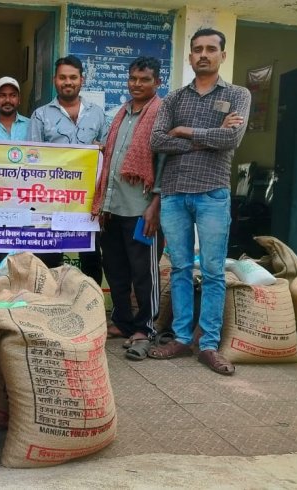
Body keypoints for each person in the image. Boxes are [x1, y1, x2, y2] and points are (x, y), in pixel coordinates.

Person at [149, 28, 251, 375]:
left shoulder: (237, 94)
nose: (203, 54)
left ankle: (208, 344)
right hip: (175, 192)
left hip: (212, 193)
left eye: (210, 49)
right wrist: (209, 137)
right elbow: (157, 141)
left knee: (212, 271)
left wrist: (184, 131)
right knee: (179, 268)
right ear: (190, 56)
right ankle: (180, 338)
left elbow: (232, 138)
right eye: (197, 49)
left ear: (223, 55)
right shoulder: (174, 99)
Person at [92, 56, 165, 361]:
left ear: (157, 82)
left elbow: (166, 164)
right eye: (133, 78)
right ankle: (122, 321)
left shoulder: (161, 115)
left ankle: (146, 328)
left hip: (141, 209)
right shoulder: (121, 113)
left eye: (144, 79)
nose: (137, 84)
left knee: (143, 273)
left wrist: (155, 205)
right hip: (113, 206)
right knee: (116, 269)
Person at [28, 55, 107, 284]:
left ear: (82, 80)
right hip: (51, 201)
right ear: (55, 80)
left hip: (88, 201)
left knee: (91, 256)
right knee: (50, 257)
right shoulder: (41, 115)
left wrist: (101, 149)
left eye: (73, 77)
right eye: (63, 77)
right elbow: (32, 158)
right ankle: (51, 301)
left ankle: (90, 300)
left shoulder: (97, 113)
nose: (68, 82)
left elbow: (107, 152)